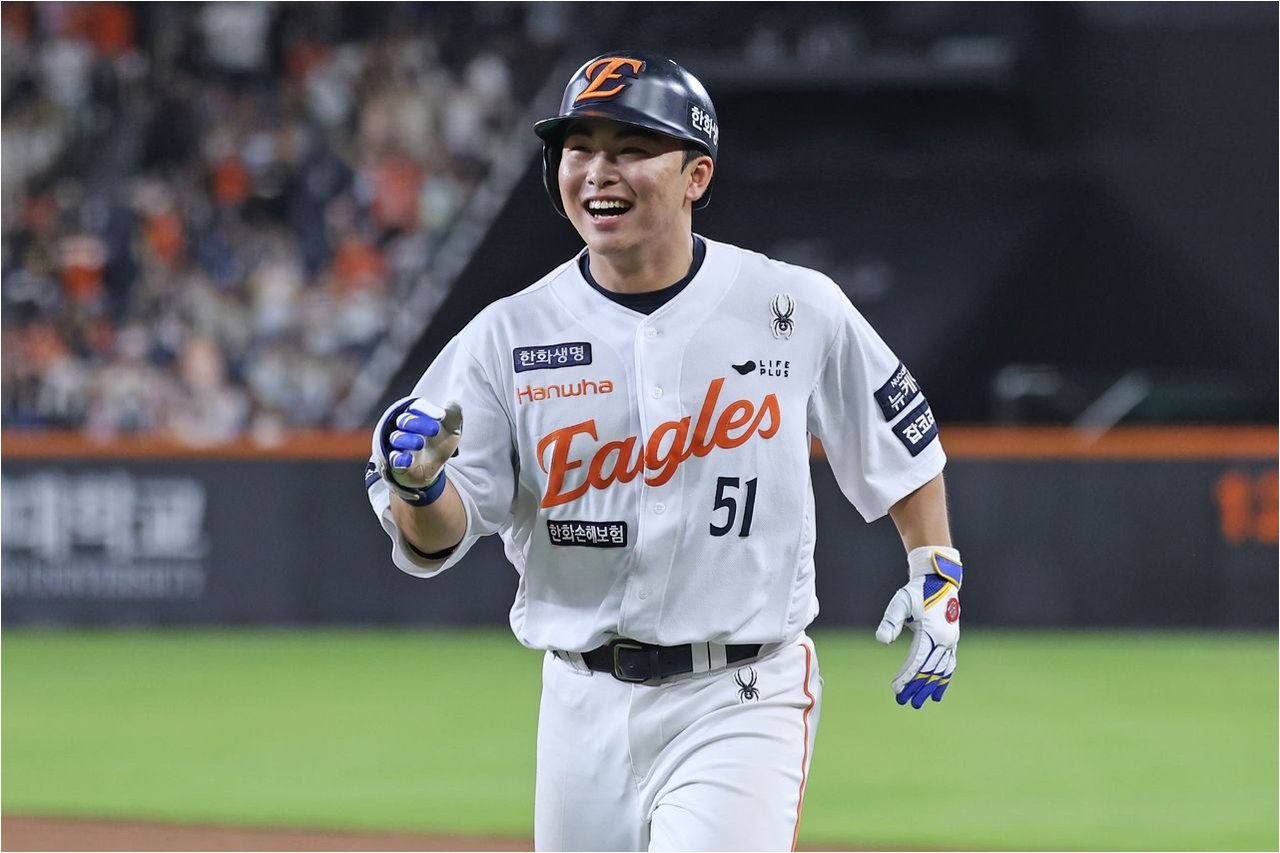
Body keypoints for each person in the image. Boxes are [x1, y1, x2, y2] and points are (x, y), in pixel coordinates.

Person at [366, 50, 963, 852]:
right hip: (579, 700)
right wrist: (417, 485)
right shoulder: (507, 336)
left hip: (740, 692)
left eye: (632, 147)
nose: (598, 170)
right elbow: (437, 534)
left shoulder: (793, 306)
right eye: (579, 148)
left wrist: (936, 573)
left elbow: (904, 445)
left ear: (696, 175)